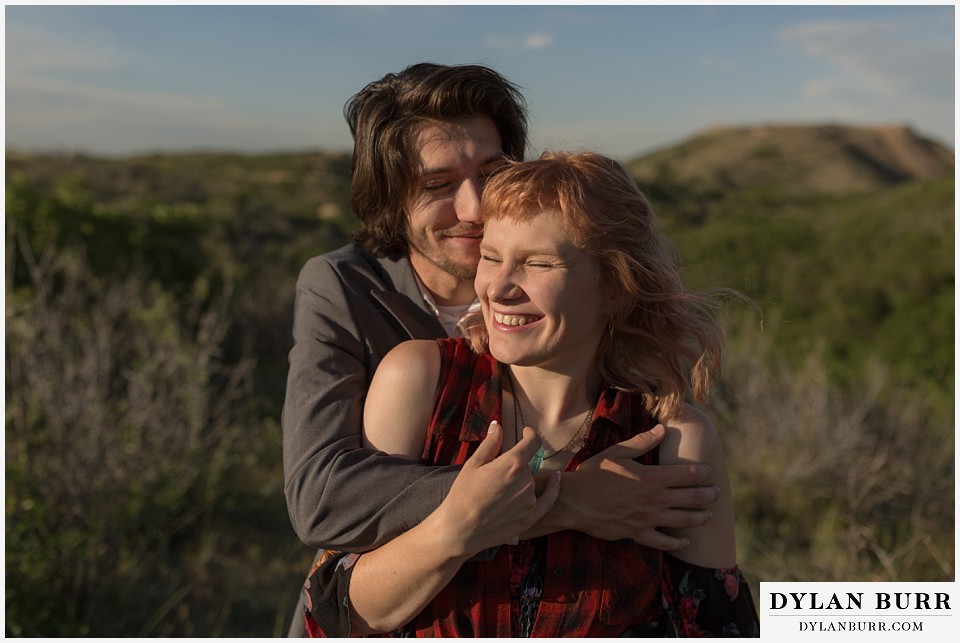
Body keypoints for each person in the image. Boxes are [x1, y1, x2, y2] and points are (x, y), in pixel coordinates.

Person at [283, 63, 720, 635]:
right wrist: (564, 497)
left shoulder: (577, 292)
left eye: (491, 173)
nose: (474, 208)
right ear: (391, 199)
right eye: (437, 186)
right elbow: (324, 496)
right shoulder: (345, 288)